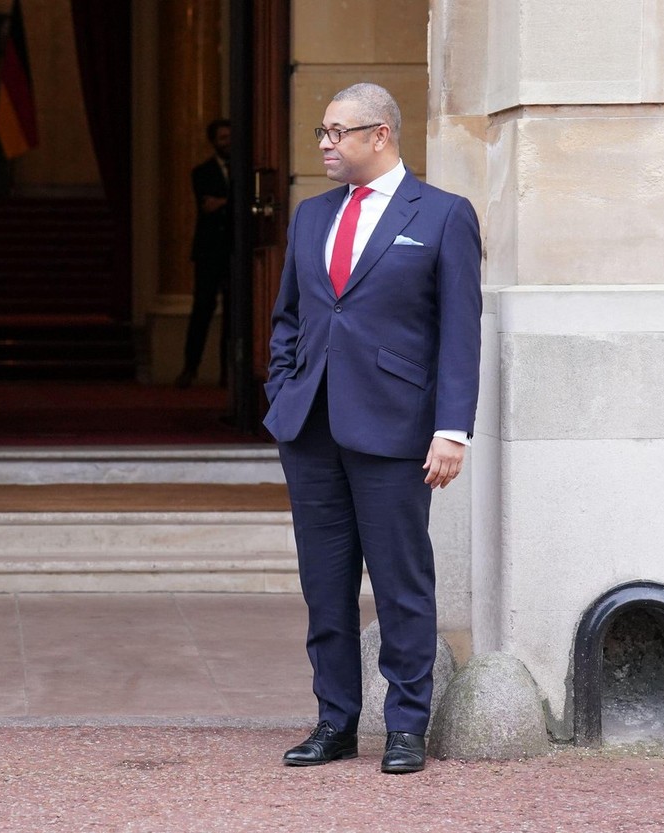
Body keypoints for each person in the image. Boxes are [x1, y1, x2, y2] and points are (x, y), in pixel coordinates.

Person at [263, 83, 482, 773]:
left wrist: (452, 428)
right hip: (311, 428)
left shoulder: (443, 215)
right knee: (325, 585)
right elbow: (290, 318)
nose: (325, 143)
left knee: (400, 583)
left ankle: (406, 726)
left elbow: (460, 333)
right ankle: (334, 721)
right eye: (323, 132)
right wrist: (282, 389)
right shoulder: (310, 215)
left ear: (380, 133)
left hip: (396, 430)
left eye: (337, 131)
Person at [175, 118, 232, 389]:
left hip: (234, 252)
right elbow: (206, 205)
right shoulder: (202, 171)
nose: (227, 143)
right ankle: (190, 367)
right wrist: (229, 202)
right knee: (202, 311)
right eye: (222, 138)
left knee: (234, 314)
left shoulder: (243, 172)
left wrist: (223, 202)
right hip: (209, 252)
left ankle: (229, 373)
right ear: (213, 141)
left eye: (230, 138)